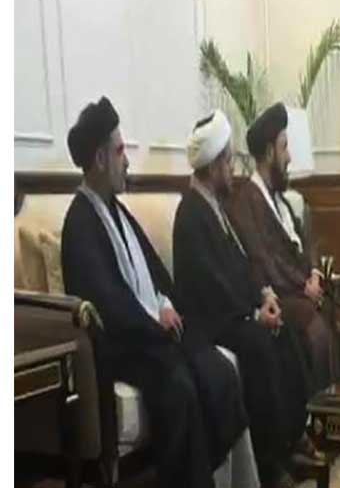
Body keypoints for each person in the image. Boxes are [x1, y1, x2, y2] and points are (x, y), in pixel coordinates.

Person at [61, 97, 252, 488]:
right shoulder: (80, 223)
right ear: (100, 159)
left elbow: (154, 276)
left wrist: (165, 304)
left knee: (217, 368)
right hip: (121, 345)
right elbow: (108, 302)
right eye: (120, 151)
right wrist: (155, 321)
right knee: (178, 386)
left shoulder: (117, 211)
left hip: (149, 332)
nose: (127, 161)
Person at [172, 109, 315, 487]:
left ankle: (291, 438)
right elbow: (211, 287)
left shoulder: (215, 207)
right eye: (228, 160)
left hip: (233, 312)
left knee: (284, 330)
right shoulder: (191, 214)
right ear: (213, 166)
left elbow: (241, 265)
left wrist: (264, 295)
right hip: (210, 322)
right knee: (259, 344)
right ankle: (269, 465)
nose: (233, 169)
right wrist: (253, 315)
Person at [226, 102, 340, 394]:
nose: (289, 157)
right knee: (314, 328)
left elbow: (307, 242)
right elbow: (261, 260)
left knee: (337, 326)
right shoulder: (246, 202)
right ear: (270, 153)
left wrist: (315, 273)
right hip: (281, 297)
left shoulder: (281, 200)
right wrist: (302, 286)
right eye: (284, 148)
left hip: (302, 291)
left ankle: (338, 409)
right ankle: (316, 413)